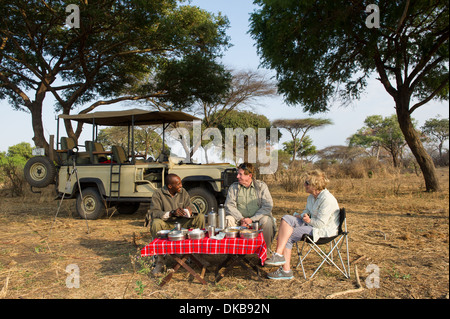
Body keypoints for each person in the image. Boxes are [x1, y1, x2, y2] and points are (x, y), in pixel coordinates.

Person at [265, 169, 340, 280]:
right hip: (311, 224)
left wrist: (308, 220)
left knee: (288, 236)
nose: (304, 184)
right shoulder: (311, 197)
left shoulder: (327, 199)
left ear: (315, 185)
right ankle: (278, 255)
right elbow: (307, 211)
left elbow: (320, 224)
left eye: (307, 183)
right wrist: (303, 215)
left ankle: (286, 271)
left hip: (322, 231)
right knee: (286, 218)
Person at [148, 173, 205, 273]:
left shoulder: (183, 192)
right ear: (170, 186)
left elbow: (190, 206)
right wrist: (171, 213)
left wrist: (190, 210)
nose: (181, 186)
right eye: (178, 184)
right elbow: (154, 212)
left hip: (182, 221)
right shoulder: (158, 194)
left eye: (181, 183)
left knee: (200, 217)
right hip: (166, 223)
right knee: (156, 223)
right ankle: (160, 260)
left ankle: (196, 254)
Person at [224, 162, 276, 249]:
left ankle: (265, 253)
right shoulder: (234, 187)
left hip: (257, 221)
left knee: (267, 221)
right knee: (228, 219)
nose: (237, 176)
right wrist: (242, 219)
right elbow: (229, 205)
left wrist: (251, 220)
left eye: (240, 174)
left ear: (249, 176)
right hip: (239, 220)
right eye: (238, 174)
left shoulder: (261, 187)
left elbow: (267, 206)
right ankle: (233, 251)